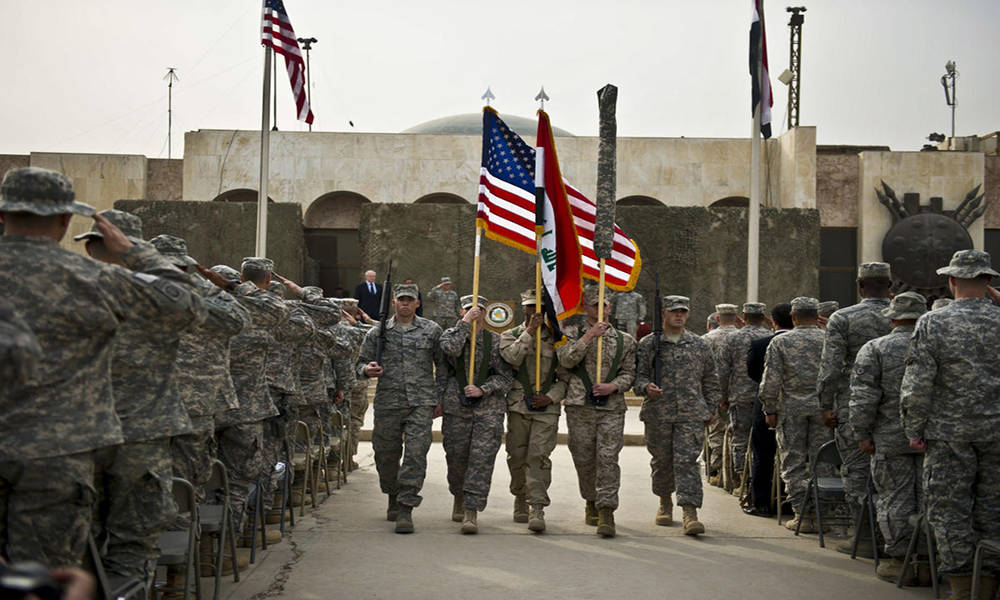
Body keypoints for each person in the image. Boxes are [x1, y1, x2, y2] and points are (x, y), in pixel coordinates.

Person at [0, 167, 201, 568]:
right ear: (63, 220)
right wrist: (133, 251)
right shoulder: (92, 279)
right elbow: (186, 304)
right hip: (57, 455)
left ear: (3, 216)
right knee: (45, 576)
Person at [900, 250, 1000, 599]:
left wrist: (914, 429)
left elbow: (917, 383)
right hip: (996, 432)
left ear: (951, 281)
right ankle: (987, 583)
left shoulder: (933, 322)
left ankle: (961, 586)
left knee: (949, 509)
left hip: (948, 433)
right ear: (988, 281)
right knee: (993, 507)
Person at [849, 292, 928, 585]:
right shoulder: (933, 344)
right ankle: (929, 560)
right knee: (929, 500)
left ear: (893, 318)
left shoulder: (875, 348)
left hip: (889, 438)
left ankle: (900, 562)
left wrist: (862, 434)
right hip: (931, 437)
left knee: (895, 500)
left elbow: (863, 398)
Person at [816, 262, 892, 556]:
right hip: (896, 408)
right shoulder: (911, 316)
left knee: (857, 473)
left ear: (860, 286)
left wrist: (825, 405)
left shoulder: (843, 318)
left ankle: (864, 538)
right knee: (897, 476)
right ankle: (896, 539)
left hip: (852, 404)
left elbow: (830, 367)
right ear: (891, 286)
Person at [356, 283, 445, 534]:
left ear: (417, 303)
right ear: (394, 303)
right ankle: (392, 495)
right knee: (385, 454)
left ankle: (406, 507)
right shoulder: (378, 332)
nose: (405, 303)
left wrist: (440, 398)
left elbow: (444, 367)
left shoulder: (431, 330)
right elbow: (360, 364)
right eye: (401, 299)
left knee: (416, 455)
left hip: (421, 402)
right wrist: (367, 370)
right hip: (388, 402)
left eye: (410, 299)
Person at [214, 257, 288, 540]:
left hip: (201, 411)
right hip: (246, 412)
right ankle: (232, 546)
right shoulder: (261, 320)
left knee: (197, 483)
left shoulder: (192, 312)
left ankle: (191, 561)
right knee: (238, 481)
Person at [634, 295, 718, 536]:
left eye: (683, 311)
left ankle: (690, 512)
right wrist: (646, 387)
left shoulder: (700, 344)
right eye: (673, 311)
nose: (679, 315)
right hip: (658, 413)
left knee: (687, 462)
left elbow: (711, 379)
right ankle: (664, 501)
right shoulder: (649, 344)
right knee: (662, 462)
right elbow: (638, 377)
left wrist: (710, 407)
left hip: (690, 413)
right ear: (664, 314)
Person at [557, 285, 636, 538]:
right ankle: (590, 500)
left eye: (604, 304)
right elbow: (566, 361)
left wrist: (614, 385)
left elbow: (629, 373)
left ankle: (606, 510)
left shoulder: (625, 339)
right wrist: (588, 336)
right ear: (585, 307)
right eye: (594, 305)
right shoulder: (570, 334)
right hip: (580, 405)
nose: (599, 309)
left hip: (611, 407)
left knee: (608, 458)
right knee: (583, 456)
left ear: (610, 307)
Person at [439, 295, 512, 534]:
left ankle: (472, 510)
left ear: (484, 313)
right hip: (456, 408)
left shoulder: (495, 340)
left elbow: (505, 377)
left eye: (478, 309)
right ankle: (458, 496)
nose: (474, 312)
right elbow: (449, 350)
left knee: (481, 461)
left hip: (487, 410)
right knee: (457, 457)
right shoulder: (450, 334)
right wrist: (464, 326)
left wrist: (484, 389)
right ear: (461, 312)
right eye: (469, 308)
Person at [759, 297, 832, 533]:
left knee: (793, 461)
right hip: (823, 409)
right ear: (816, 315)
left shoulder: (781, 342)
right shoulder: (829, 339)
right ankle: (821, 513)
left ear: (794, 317)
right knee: (822, 461)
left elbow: (771, 380)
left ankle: (802, 514)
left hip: (792, 408)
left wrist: (769, 408)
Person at [499, 289, 566, 532]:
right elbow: (512, 359)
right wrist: (529, 332)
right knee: (516, 456)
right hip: (518, 405)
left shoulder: (557, 338)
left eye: (538, 307)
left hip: (546, 409)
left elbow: (566, 376)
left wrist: (550, 397)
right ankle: (520, 496)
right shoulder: (511, 335)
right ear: (523, 308)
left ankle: (537, 506)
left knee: (538, 456)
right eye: (529, 306)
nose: (534, 311)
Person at [744, 303, 793, 516]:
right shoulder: (820, 340)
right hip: (799, 407)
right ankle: (792, 502)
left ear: (773, 321)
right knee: (797, 456)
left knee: (763, 454)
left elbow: (754, 374)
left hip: (767, 405)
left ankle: (761, 502)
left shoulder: (760, 344)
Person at [718, 302, 771, 493]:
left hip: (740, 396)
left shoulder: (732, 338)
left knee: (740, 438)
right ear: (763, 316)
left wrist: (723, 396)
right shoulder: (770, 336)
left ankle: (742, 481)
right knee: (765, 441)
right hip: (766, 397)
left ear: (744, 316)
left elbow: (723, 371)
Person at [702, 303, 740, 487]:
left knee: (716, 432)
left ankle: (716, 471)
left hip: (714, 392)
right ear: (736, 317)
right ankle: (736, 474)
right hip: (740, 393)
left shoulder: (707, 339)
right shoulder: (743, 337)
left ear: (717, 319)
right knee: (738, 433)